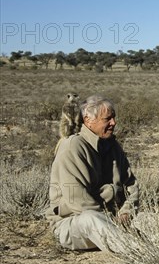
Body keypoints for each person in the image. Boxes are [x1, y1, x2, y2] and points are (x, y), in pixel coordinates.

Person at [46, 95, 139, 252]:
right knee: (91, 219)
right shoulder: (72, 147)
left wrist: (127, 212)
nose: (113, 123)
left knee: (148, 219)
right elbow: (79, 202)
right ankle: (138, 251)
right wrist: (110, 219)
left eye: (114, 118)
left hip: (113, 217)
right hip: (74, 222)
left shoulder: (113, 146)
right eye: (107, 119)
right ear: (88, 120)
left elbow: (131, 186)